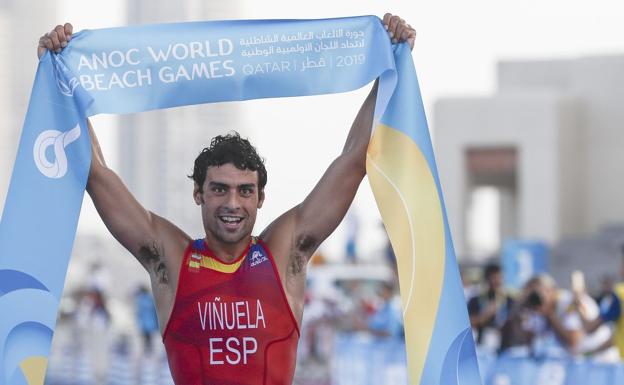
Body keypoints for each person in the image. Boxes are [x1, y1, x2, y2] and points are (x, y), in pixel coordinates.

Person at [38, 14, 416, 385]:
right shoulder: (170, 258)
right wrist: (59, 78)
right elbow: (96, 173)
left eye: (245, 190)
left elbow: (353, 159)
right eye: (219, 189)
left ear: (261, 198)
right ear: (198, 194)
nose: (233, 203)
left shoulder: (286, 254)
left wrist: (390, 67)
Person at [576, 246, 624, 360]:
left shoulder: (620, 294)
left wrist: (578, 302)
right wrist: (592, 353)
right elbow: (618, 337)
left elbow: (590, 328)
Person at [467, 263, 513, 351]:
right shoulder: (476, 299)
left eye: (500, 278)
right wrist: (485, 315)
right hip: (482, 346)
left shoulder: (509, 300)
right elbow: (468, 322)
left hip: (505, 347)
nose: (497, 281)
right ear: (486, 279)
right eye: (493, 278)